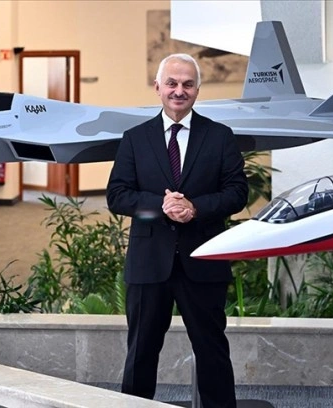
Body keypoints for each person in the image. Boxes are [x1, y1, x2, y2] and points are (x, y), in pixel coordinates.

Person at [106, 53, 248, 408]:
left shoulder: (220, 137)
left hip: (203, 260)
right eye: (171, 83)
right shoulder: (135, 139)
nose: (179, 90)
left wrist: (195, 208)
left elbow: (237, 193)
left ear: (198, 89)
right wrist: (162, 206)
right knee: (140, 353)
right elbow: (117, 196)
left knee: (212, 351)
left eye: (187, 84)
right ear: (158, 87)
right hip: (149, 263)